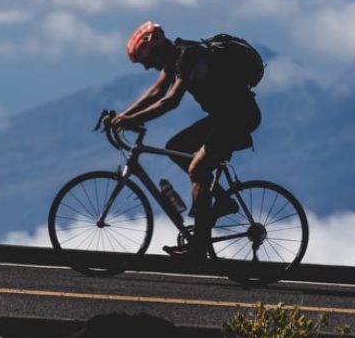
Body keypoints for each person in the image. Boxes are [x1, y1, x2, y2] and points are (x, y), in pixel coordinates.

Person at [111, 21, 261, 259]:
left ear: (156, 49)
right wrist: (124, 116)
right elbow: (156, 92)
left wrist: (131, 120)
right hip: (224, 115)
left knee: (198, 168)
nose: (149, 68)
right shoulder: (174, 58)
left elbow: (170, 100)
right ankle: (221, 201)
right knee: (175, 148)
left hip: (238, 116)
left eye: (148, 62)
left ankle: (198, 246)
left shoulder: (188, 55)